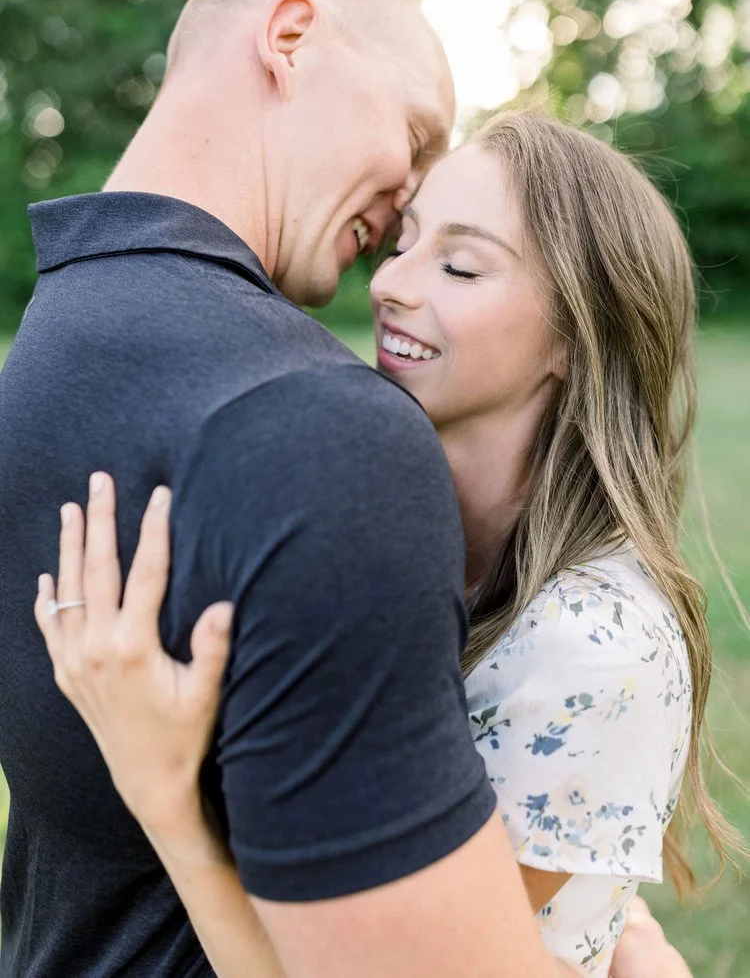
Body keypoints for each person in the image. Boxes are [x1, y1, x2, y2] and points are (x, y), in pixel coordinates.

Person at [35, 112, 732, 976]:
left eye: (460, 265)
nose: (391, 283)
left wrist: (161, 794)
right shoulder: (402, 533)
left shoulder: (590, 648)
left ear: (576, 332)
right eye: (404, 242)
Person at [0, 0, 573, 978]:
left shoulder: (45, 357)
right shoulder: (324, 430)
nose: (408, 199)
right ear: (292, 35)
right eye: (416, 132)